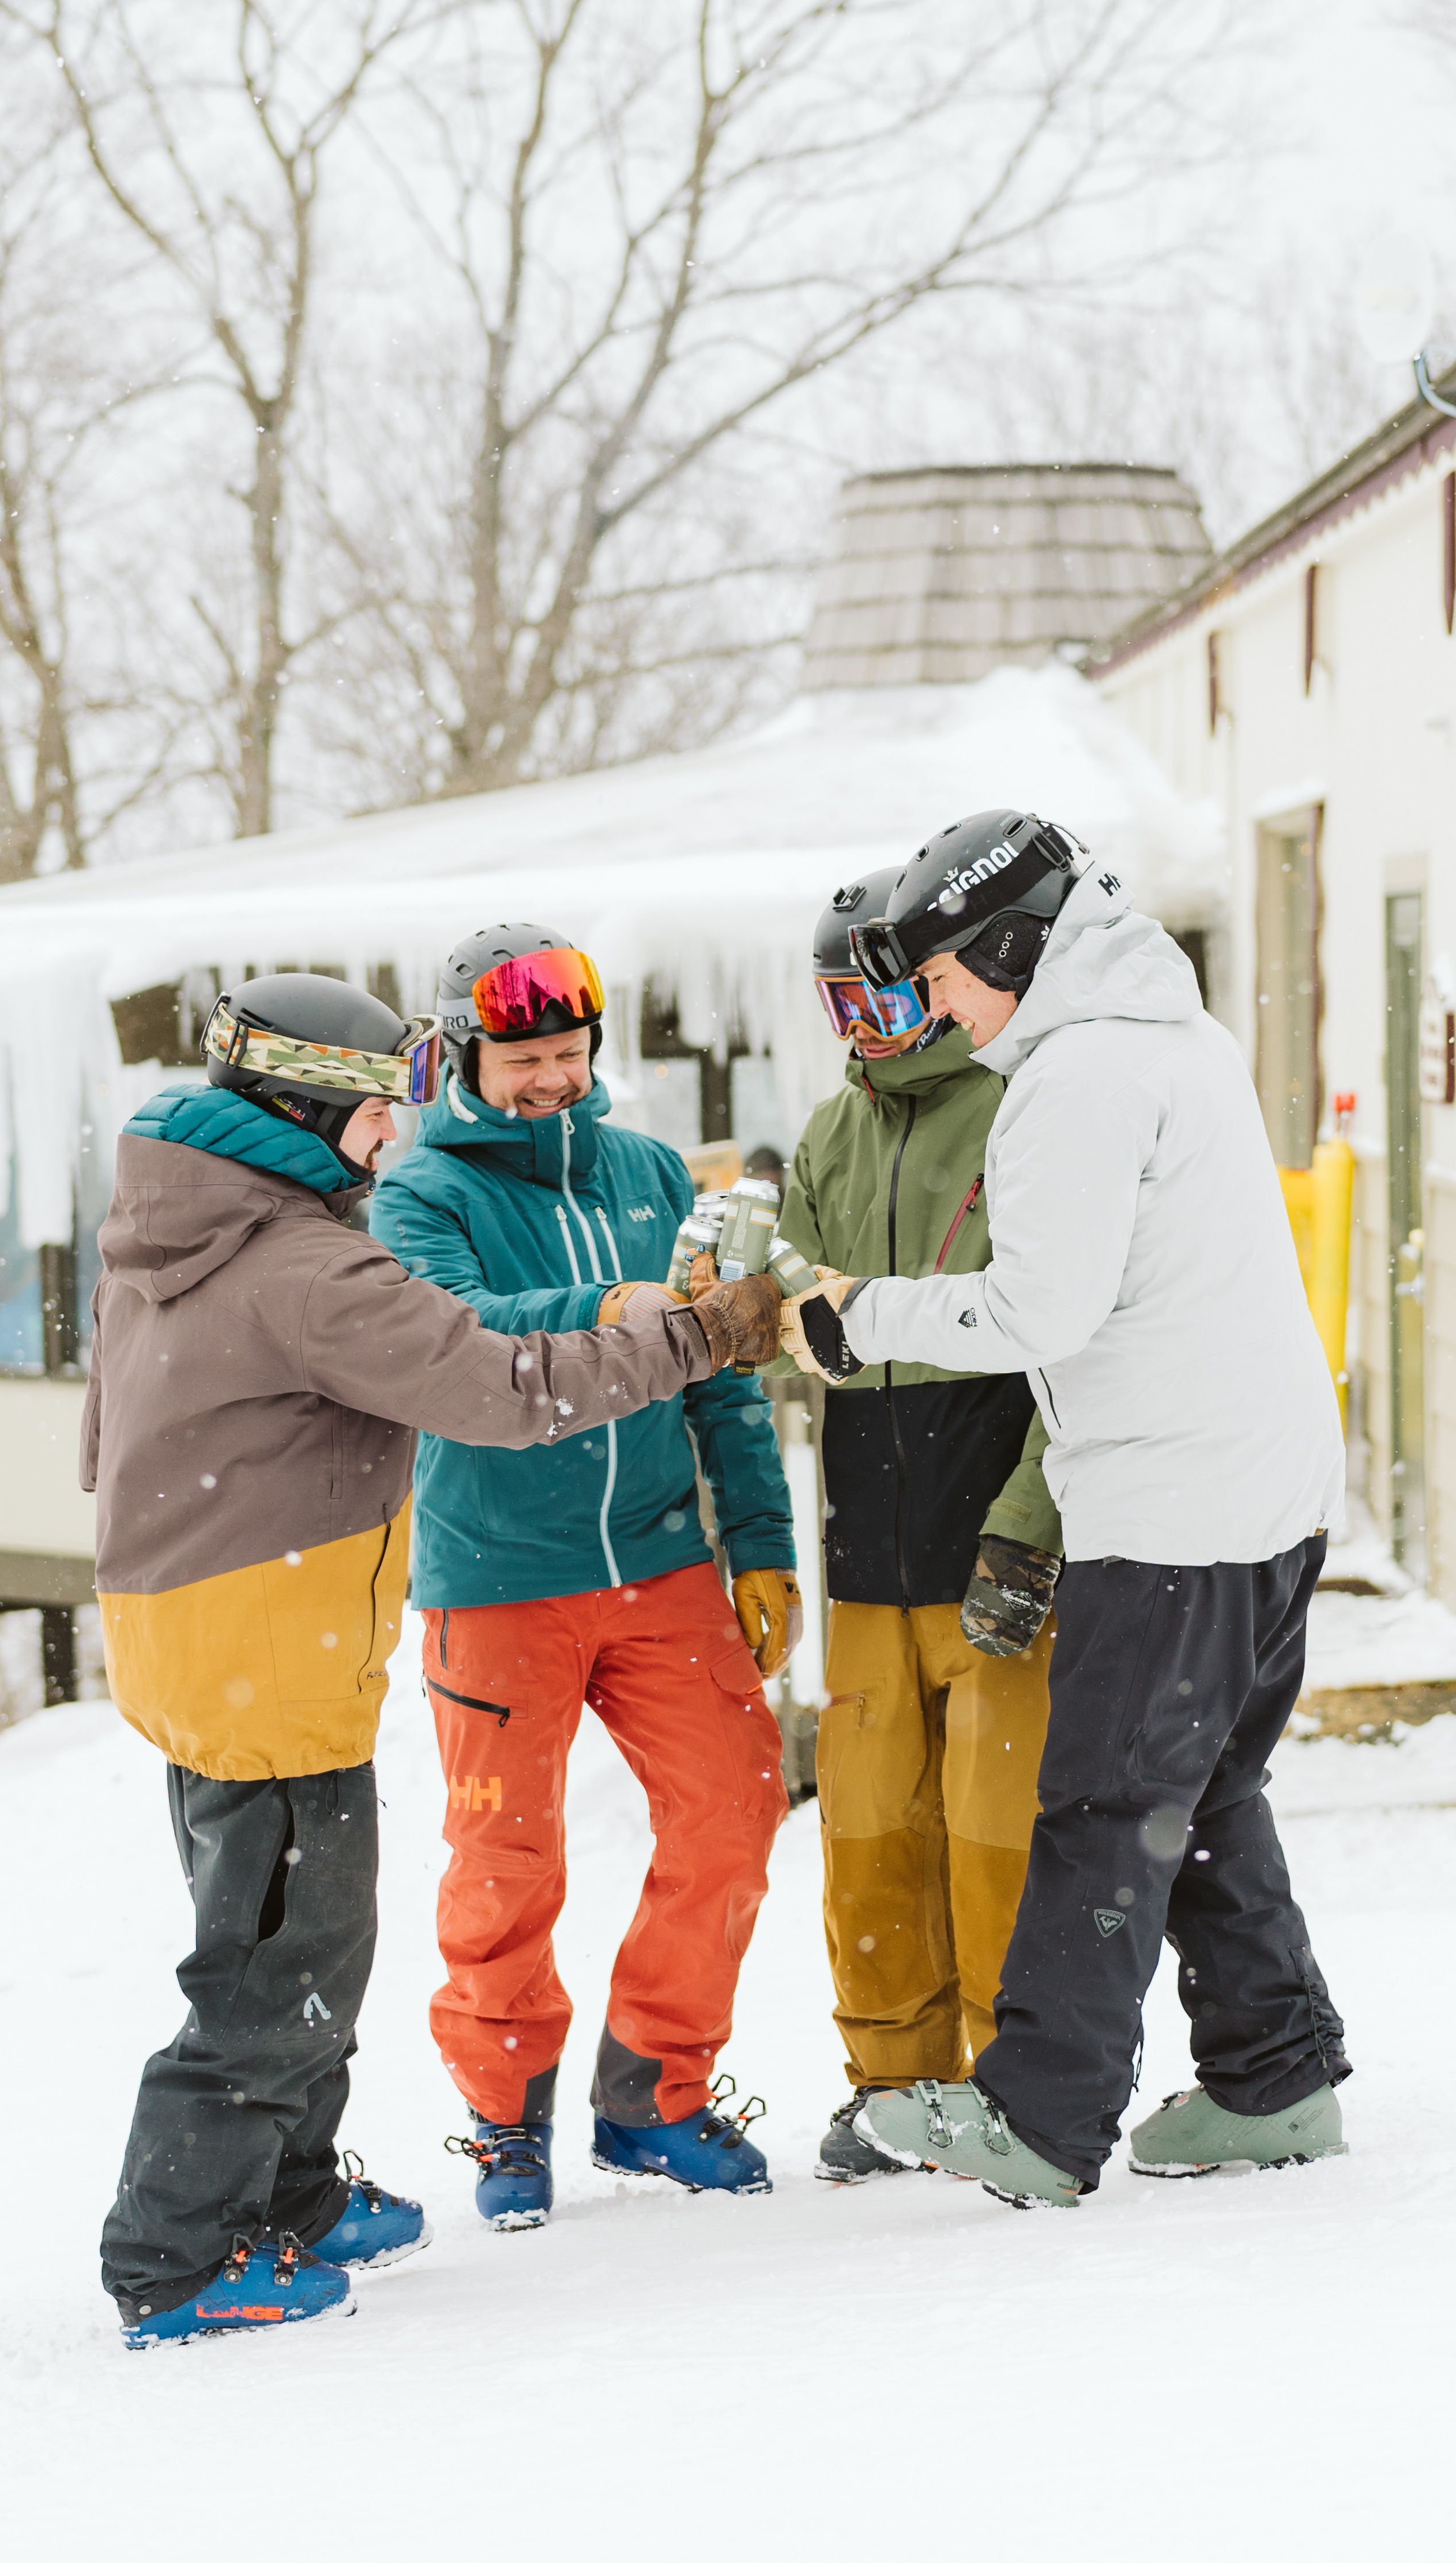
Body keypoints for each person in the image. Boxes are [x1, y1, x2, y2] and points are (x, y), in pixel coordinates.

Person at [85, 971, 782, 2344]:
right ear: (310, 1101)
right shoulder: (303, 1263)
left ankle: (291, 2192)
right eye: (383, 1098)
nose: (398, 1130)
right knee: (273, 1960)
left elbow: (102, 1423)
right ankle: (174, 2255)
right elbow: (497, 1387)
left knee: (311, 1937)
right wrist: (691, 1332)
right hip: (266, 1644)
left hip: (212, 1630)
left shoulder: (185, 1225)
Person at [784, 811, 1354, 2207]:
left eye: (945, 974)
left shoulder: (1074, 1077)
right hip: (1269, 1491)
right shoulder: (1181, 1038)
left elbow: (1041, 1304)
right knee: (1208, 1791)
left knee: (1104, 1805)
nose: (933, 1008)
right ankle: (1277, 2077)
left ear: (1013, 946)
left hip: (1174, 1508)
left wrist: (858, 1318)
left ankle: (1042, 2119)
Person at [369, 926, 803, 2226]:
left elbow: (721, 1368)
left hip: (662, 1559)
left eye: (569, 1052)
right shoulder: (420, 1192)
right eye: (525, 1059)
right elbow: (454, 1332)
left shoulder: (654, 1173)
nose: (552, 1078)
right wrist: (605, 1307)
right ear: (463, 1057)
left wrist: (765, 1542)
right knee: (506, 1853)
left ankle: (654, 2094)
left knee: (735, 1804)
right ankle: (507, 2118)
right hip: (497, 1573)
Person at [777, 867, 1063, 2183]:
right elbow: (797, 1313)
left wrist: (1029, 1521)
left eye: (890, 992)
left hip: (988, 1511)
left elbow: (1080, 1344)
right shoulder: (829, 1137)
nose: (870, 1022)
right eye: (844, 999)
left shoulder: (1024, 1109)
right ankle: (894, 2076)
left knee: (996, 1818)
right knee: (871, 1822)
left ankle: (1017, 2075)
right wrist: (738, 1299)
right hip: (866, 1535)